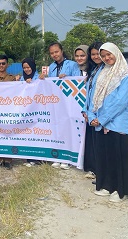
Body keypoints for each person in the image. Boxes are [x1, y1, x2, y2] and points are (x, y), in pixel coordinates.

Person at [88, 42, 128, 203]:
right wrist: (91, 116)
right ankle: (107, 185)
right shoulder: (101, 72)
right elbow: (92, 95)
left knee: (119, 157)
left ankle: (120, 190)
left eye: (108, 54)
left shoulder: (126, 74)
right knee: (105, 156)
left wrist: (102, 118)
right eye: (103, 55)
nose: (106, 58)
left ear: (116, 53)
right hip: (99, 123)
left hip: (116, 123)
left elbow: (121, 101)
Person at [40, 42, 80, 170]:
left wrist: (68, 78)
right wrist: (42, 79)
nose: (54, 55)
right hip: (54, 103)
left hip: (68, 102)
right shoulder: (50, 67)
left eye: (56, 52)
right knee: (56, 129)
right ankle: (57, 156)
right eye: (52, 53)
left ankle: (67, 158)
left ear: (62, 51)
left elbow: (78, 81)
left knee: (67, 129)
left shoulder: (72, 64)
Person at [0, 55, 17, 169]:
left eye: (3, 63)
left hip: (8, 111)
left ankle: (8, 159)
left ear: (7, 65)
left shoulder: (13, 79)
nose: (1, 65)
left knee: (8, 134)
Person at [82, 42, 104, 178]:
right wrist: (85, 110)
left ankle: (100, 171)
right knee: (92, 141)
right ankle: (94, 169)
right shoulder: (93, 70)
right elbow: (87, 93)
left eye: (98, 54)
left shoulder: (106, 70)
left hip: (100, 113)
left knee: (101, 143)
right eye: (93, 54)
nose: (96, 56)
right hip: (90, 112)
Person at [19, 57, 42, 167]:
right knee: (27, 133)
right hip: (25, 111)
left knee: (37, 133)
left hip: (37, 110)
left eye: (28, 67)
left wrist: (33, 83)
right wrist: (23, 82)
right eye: (24, 68)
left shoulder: (40, 77)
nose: (27, 69)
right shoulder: (20, 79)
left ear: (33, 66)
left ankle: (38, 158)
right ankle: (28, 157)